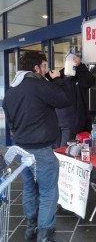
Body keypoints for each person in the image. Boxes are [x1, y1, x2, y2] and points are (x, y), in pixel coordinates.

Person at [2, 51, 73, 242]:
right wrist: (58, 79)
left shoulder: (13, 88)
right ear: (36, 68)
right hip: (41, 149)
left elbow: (9, 116)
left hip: (22, 147)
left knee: (29, 187)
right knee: (48, 190)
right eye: (43, 65)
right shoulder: (39, 85)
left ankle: (30, 228)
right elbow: (63, 99)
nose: (45, 69)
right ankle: (44, 233)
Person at [55, 52, 95, 147]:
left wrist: (80, 66)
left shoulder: (78, 76)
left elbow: (90, 80)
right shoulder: (58, 76)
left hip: (72, 122)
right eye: (71, 62)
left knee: (65, 150)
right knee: (61, 150)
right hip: (62, 122)